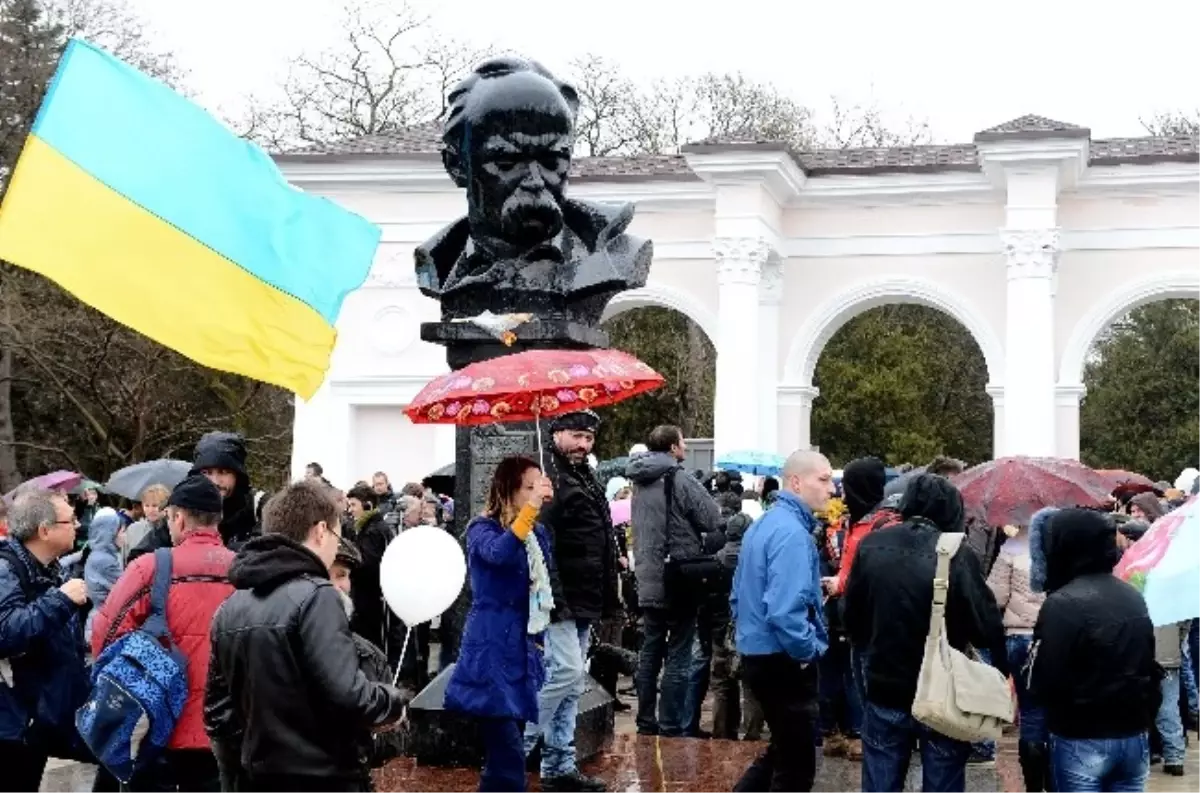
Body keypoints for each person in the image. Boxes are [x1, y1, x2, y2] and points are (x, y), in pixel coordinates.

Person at [205, 480, 406, 792]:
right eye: (337, 535)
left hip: (256, 779)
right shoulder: (317, 595)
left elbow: (217, 714)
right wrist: (394, 701)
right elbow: (349, 695)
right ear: (321, 530)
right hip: (324, 778)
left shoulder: (231, 606)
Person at [843, 473, 1009, 793]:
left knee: (881, 778)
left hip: (885, 684)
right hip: (943, 687)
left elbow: (852, 616)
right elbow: (985, 624)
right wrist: (1000, 670)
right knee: (943, 777)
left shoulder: (872, 545)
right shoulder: (956, 553)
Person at [91, 476, 235, 793]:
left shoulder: (150, 567)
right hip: (224, 732)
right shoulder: (244, 571)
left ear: (178, 517)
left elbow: (105, 636)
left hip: (155, 727)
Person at [1028, 507, 1162, 791]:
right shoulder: (1132, 597)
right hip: (1132, 733)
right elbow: (1148, 661)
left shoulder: (1061, 604)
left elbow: (1043, 680)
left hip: (1081, 734)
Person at [446, 456, 556, 792]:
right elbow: (498, 554)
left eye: (538, 485)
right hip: (491, 644)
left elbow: (540, 583)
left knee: (506, 751)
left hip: (523, 646)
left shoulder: (538, 532)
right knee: (507, 747)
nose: (535, 492)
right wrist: (530, 511)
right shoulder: (482, 529)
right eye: (528, 487)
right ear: (508, 489)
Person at [730, 450, 834, 793]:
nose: (831, 488)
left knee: (782, 753)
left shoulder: (765, 524)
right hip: (783, 658)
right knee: (796, 766)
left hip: (759, 651)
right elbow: (783, 611)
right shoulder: (791, 533)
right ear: (795, 482)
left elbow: (740, 594)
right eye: (823, 479)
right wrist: (807, 651)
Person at [523, 410, 615, 793]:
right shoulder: (548, 478)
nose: (583, 444)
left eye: (589, 438)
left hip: (585, 595)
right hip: (561, 599)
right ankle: (514, 748)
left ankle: (559, 764)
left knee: (573, 680)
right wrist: (556, 602)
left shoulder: (584, 475)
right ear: (556, 433)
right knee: (563, 673)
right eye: (576, 436)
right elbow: (542, 549)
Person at [626, 425, 723, 738]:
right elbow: (711, 518)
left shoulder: (638, 481)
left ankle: (644, 721)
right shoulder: (678, 478)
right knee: (679, 652)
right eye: (682, 442)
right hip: (679, 576)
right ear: (672, 448)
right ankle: (670, 724)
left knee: (650, 650)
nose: (684, 447)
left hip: (648, 576)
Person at [0, 490, 91, 793]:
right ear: (44, 530)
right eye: (70, 519)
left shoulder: (52, 568)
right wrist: (61, 601)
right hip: (13, 722)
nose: (77, 525)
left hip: (41, 715)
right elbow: (5, 633)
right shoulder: (6, 569)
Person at [328, 534, 406, 785]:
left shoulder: (368, 655)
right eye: (327, 575)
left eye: (342, 576)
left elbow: (394, 741)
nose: (336, 586)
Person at [987, 508, 1051, 792]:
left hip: (1019, 637)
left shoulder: (1010, 548)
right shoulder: (1059, 545)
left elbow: (996, 596)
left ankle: (1033, 785)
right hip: (1054, 637)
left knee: (1029, 712)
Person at [190, 432, 259, 550]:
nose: (215, 481)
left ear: (237, 475)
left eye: (223, 472)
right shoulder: (186, 506)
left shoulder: (258, 507)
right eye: (207, 473)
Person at [82, 507, 124, 646]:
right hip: (106, 623)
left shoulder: (100, 554)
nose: (125, 536)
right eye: (122, 531)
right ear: (111, 533)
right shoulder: (105, 560)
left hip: (100, 620)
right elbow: (127, 589)